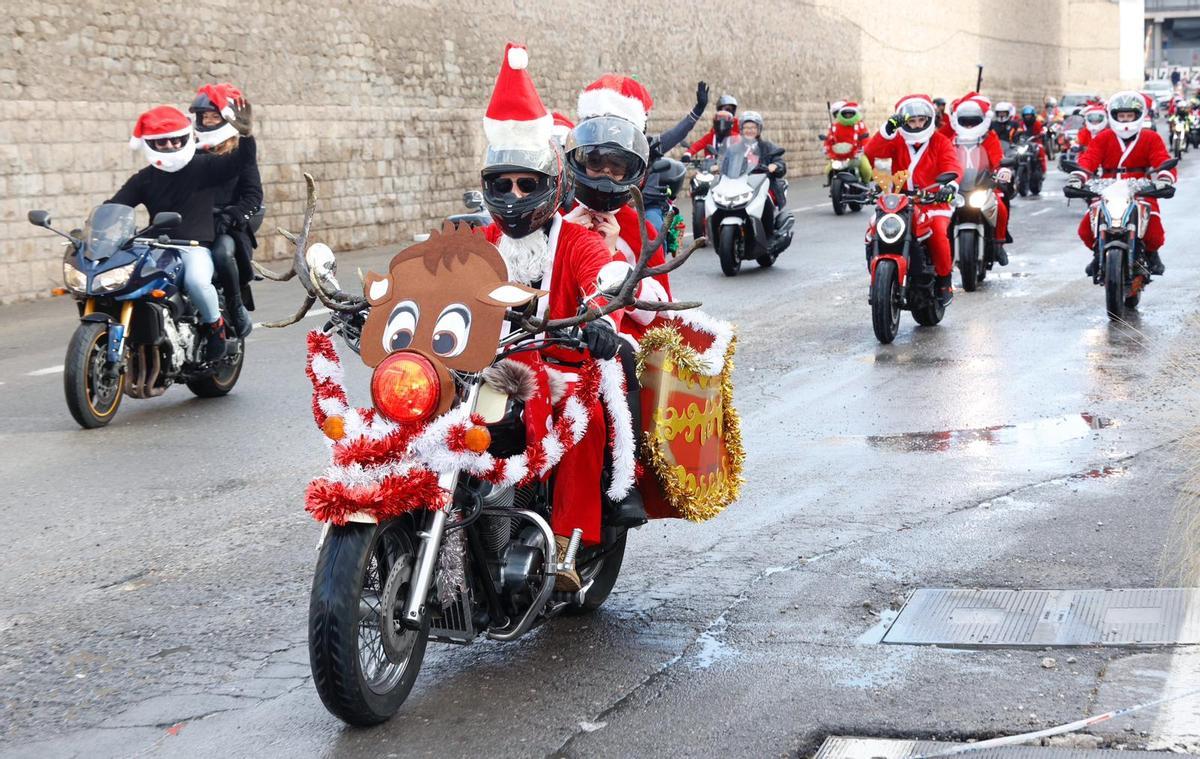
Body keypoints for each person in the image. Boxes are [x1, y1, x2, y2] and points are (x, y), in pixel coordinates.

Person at [476, 44, 640, 589]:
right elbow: (437, 282)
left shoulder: (576, 238)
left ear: (550, 186)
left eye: (526, 184)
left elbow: (606, 275)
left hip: (558, 362)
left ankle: (568, 542)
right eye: (503, 184)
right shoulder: (479, 242)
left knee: (582, 415)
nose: (514, 195)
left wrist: (600, 314)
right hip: (481, 365)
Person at [110, 104, 255, 359]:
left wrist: (246, 135)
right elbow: (115, 207)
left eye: (175, 140)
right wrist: (94, 234)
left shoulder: (204, 166)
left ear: (185, 138)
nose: (169, 146)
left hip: (194, 247)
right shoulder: (143, 178)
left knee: (197, 282)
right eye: (162, 141)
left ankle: (215, 327)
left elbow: (238, 163)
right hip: (155, 247)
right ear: (150, 144)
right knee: (127, 281)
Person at [865, 94, 963, 306]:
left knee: (938, 233)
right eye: (912, 121)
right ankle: (877, 273)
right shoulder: (897, 140)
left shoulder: (940, 141)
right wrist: (887, 130)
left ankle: (945, 280)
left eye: (921, 120)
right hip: (898, 201)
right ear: (904, 122)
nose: (917, 125)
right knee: (874, 228)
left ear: (929, 120)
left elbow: (952, 166)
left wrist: (948, 187)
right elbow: (872, 153)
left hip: (933, 202)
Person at [1066, 91, 1176, 276]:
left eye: (1129, 116)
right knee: (1086, 229)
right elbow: (1089, 159)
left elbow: (1161, 159)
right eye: (1122, 116)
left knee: (1154, 233)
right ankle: (1098, 253)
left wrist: (1165, 179)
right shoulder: (1103, 137)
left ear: (1138, 116)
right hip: (1107, 187)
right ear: (1114, 116)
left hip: (1141, 187)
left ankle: (1151, 254)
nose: (1125, 120)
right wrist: (1077, 177)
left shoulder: (1150, 137)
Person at [190, 82, 261, 337]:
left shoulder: (239, 153)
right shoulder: (188, 151)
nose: (208, 121)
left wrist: (231, 217)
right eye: (205, 117)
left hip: (226, 227)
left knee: (221, 253)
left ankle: (235, 305)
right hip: (192, 226)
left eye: (215, 116)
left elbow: (253, 196)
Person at [948, 93, 1011, 265]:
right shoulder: (952, 140)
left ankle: (999, 244)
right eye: (965, 122)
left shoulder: (989, 137)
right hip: (957, 186)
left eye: (973, 122)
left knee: (1001, 207)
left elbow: (997, 158)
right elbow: (945, 160)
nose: (969, 126)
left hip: (984, 183)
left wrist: (1001, 170)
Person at [642, 80, 710, 231]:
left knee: (653, 228)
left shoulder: (651, 145)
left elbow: (677, 133)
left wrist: (698, 109)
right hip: (615, 207)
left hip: (648, 205)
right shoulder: (609, 148)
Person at [738, 111, 789, 218]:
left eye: (753, 127)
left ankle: (769, 228)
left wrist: (775, 165)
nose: (749, 130)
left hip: (763, 185)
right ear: (741, 129)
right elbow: (725, 160)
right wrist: (717, 165)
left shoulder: (767, 146)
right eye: (746, 127)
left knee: (765, 200)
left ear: (759, 129)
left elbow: (779, 162)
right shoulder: (735, 148)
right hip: (739, 185)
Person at [823, 101, 872, 183]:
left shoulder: (859, 125)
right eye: (846, 114)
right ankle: (832, 183)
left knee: (866, 169)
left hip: (856, 154)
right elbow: (830, 139)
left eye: (850, 114)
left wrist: (864, 148)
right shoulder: (835, 127)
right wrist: (827, 147)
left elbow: (865, 138)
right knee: (828, 170)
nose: (848, 115)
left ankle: (866, 184)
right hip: (839, 156)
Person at [1018, 105, 1049, 179]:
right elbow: (1017, 130)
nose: (1027, 117)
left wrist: (1040, 134)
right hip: (1023, 142)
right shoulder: (1021, 124)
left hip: (1035, 142)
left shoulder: (1037, 123)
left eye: (1029, 115)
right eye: (1026, 115)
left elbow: (1041, 130)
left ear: (1033, 115)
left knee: (1041, 150)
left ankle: (1043, 170)